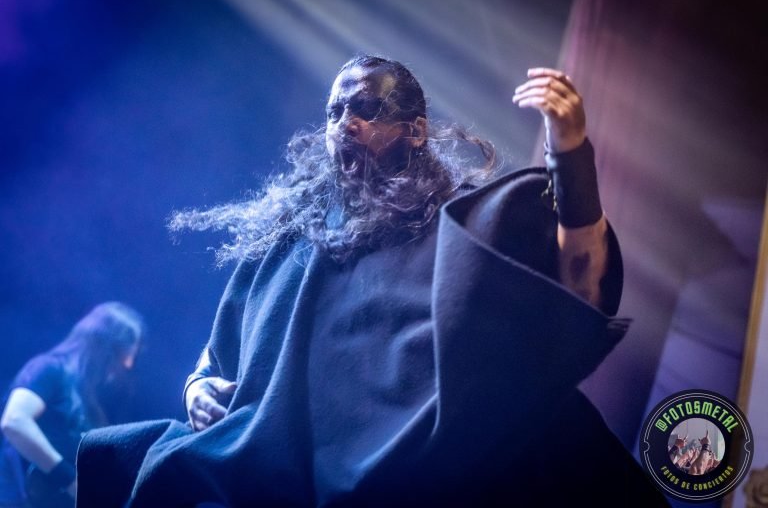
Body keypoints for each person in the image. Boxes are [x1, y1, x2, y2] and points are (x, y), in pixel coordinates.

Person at [77, 56, 669, 506]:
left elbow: (579, 288)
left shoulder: (462, 228)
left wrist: (570, 154)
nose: (346, 124)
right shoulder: (290, 240)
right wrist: (196, 386)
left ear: (415, 132)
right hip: (294, 469)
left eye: (366, 108)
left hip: (431, 461)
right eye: (335, 112)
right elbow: (221, 350)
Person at [0, 302, 143, 508]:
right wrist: (69, 479)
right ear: (102, 349)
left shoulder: (88, 400)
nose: (126, 366)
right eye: (122, 358)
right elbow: (15, 421)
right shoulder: (49, 369)